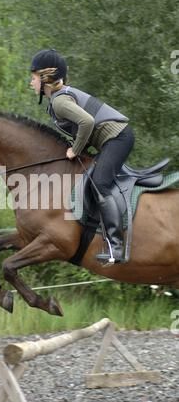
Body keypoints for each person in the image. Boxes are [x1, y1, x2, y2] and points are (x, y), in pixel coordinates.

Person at [30, 49, 135, 264]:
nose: (30, 84)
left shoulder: (60, 101)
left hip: (118, 138)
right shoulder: (59, 98)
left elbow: (87, 122)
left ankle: (116, 246)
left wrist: (75, 150)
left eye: (32, 78)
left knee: (99, 184)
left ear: (45, 79)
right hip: (111, 139)